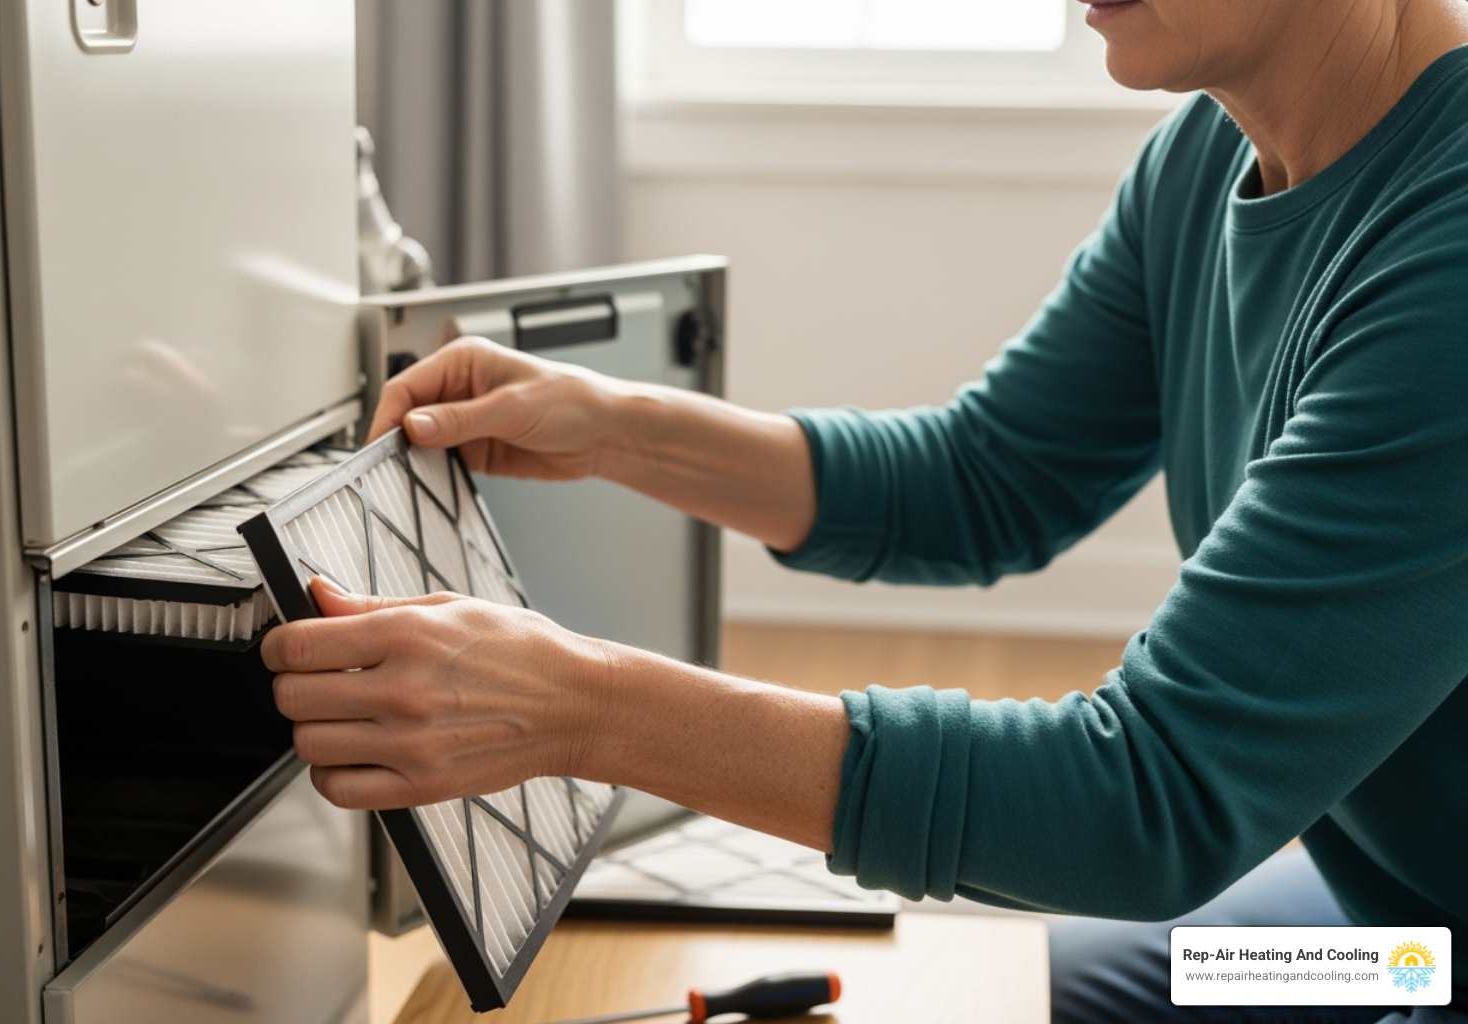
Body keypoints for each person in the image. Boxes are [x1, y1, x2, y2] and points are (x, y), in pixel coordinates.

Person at [261, 1, 1468, 1020]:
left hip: (1437, 956)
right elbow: (987, 479)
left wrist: (590, 709)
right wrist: (618, 425)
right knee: (1020, 988)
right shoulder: (1201, 162)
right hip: (1398, 928)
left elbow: (1149, 798)